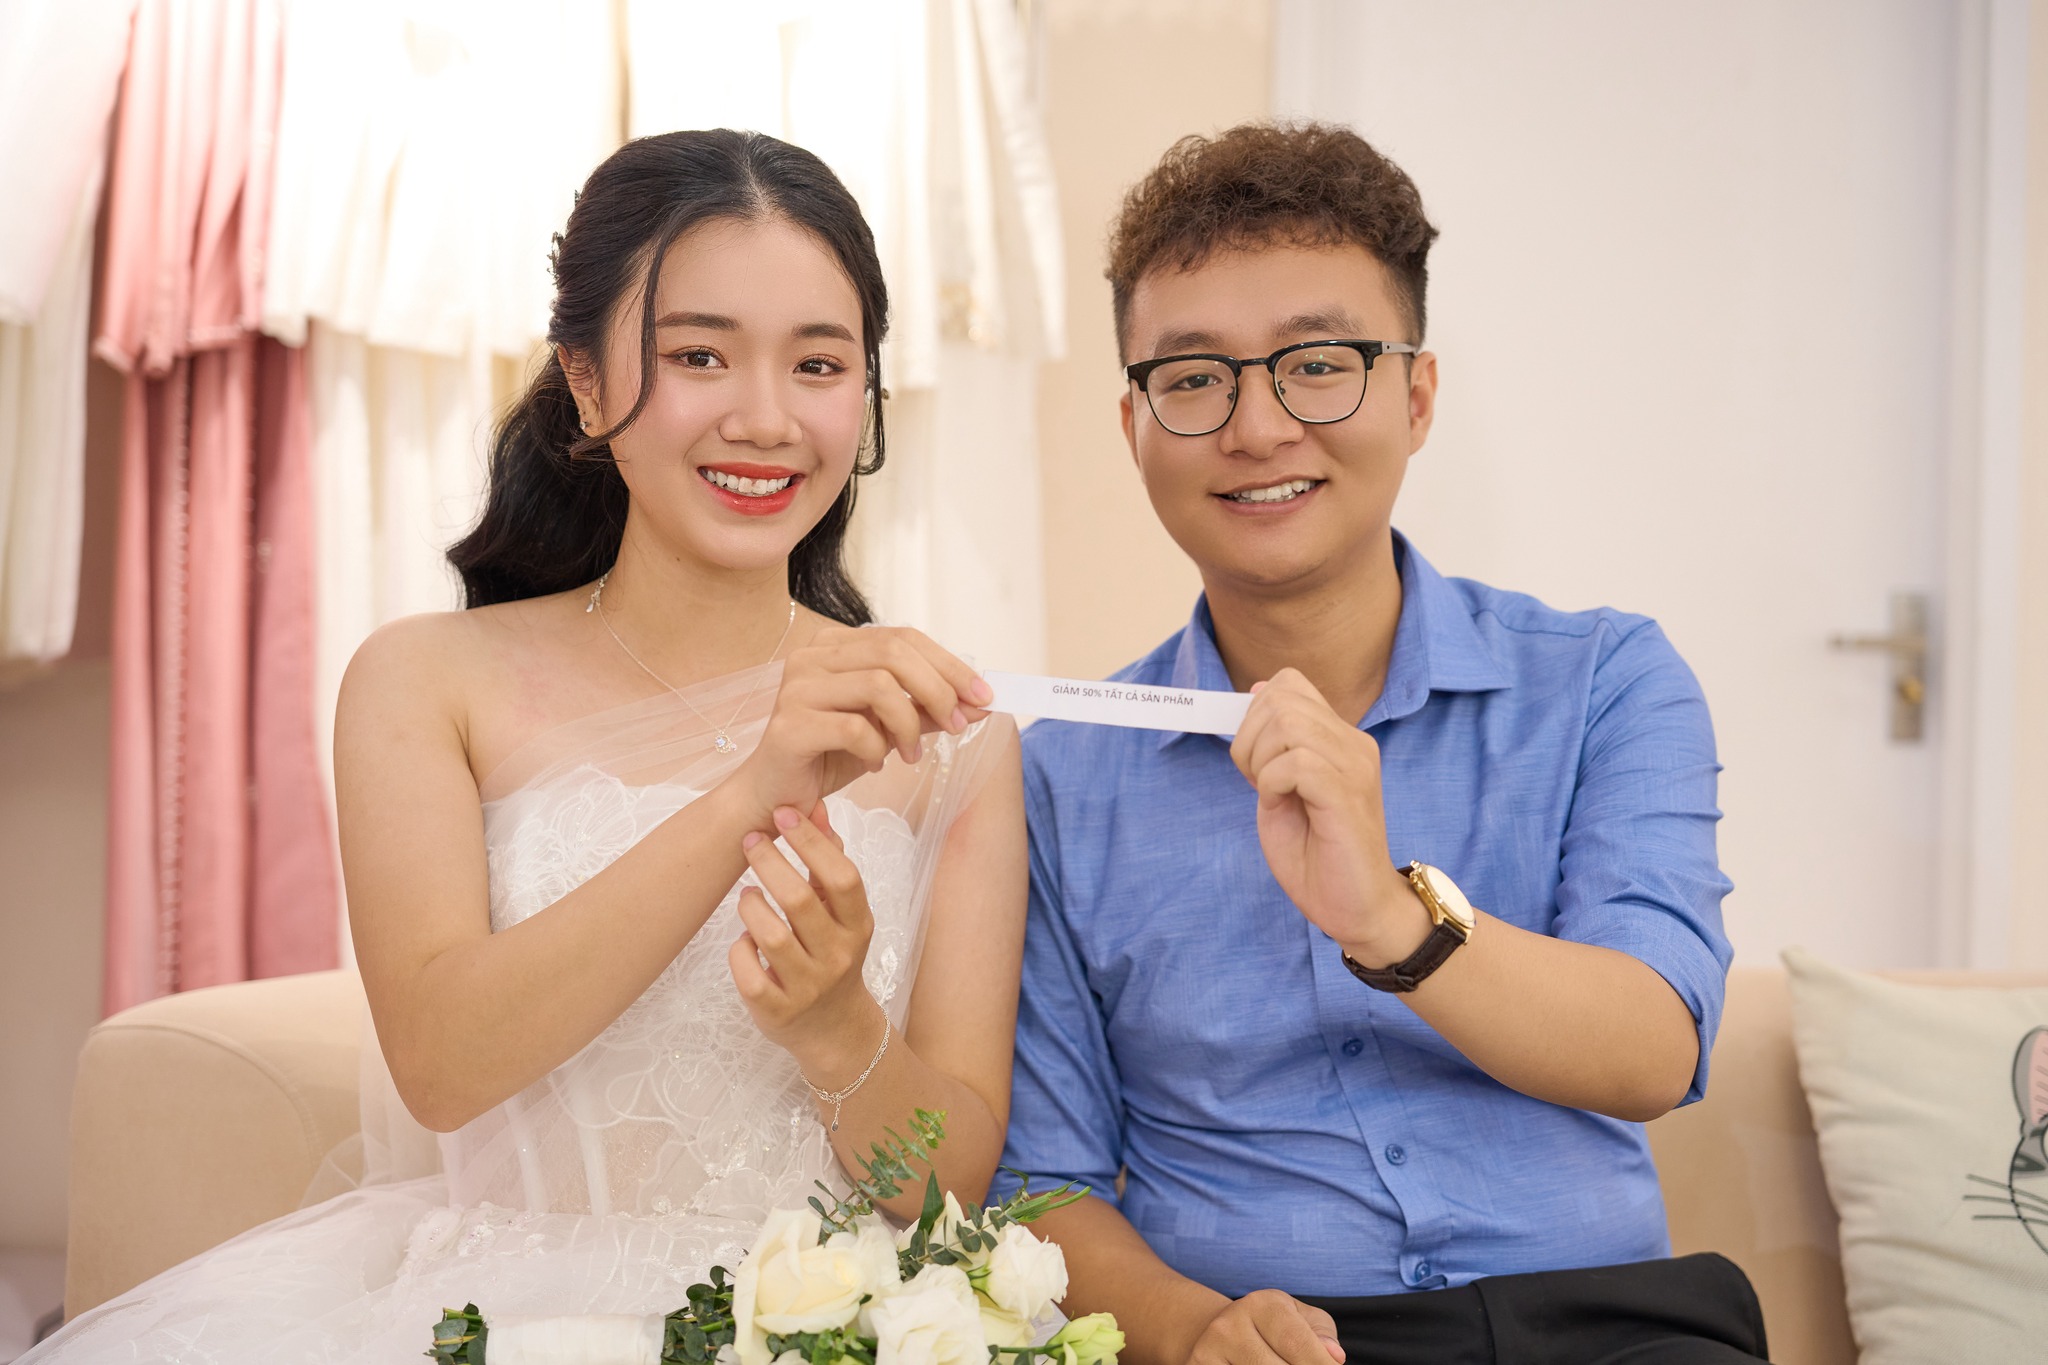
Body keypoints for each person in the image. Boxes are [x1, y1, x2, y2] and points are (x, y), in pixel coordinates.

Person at [31, 129, 1024, 1362]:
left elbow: (944, 1188)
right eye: (698, 355)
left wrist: (837, 1030)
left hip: (832, 1330)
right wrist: (748, 796)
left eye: (817, 364)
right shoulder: (425, 681)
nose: (766, 419)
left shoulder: (951, 741)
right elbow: (442, 1063)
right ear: (587, 385)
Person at [996, 122, 1766, 1364]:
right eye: (1192, 379)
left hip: (1608, 1327)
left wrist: (1394, 922)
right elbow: (1042, 1183)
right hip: (1284, 1340)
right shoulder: (1055, 778)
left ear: (1415, 398)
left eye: (1318, 365)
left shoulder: (1603, 681)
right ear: (1133, 425)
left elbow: (1653, 1048)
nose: (1257, 427)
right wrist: (1195, 1331)